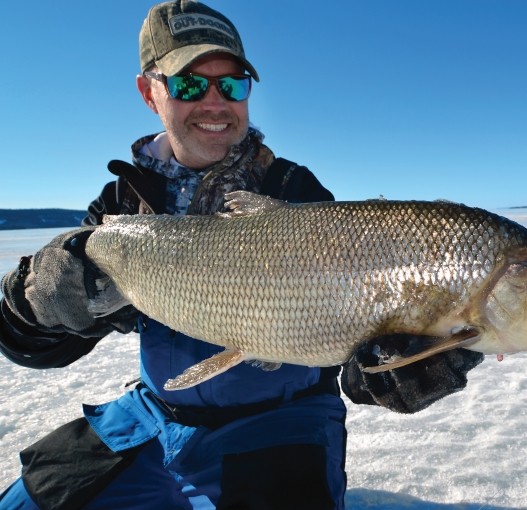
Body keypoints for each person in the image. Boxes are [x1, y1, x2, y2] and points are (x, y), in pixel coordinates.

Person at [0, 1, 483, 508]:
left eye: (231, 84)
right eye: (189, 84)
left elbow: (355, 367)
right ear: (150, 92)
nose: (215, 102)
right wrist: (36, 298)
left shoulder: (295, 193)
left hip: (280, 421)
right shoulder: (125, 204)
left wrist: (398, 369)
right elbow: (35, 345)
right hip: (152, 414)